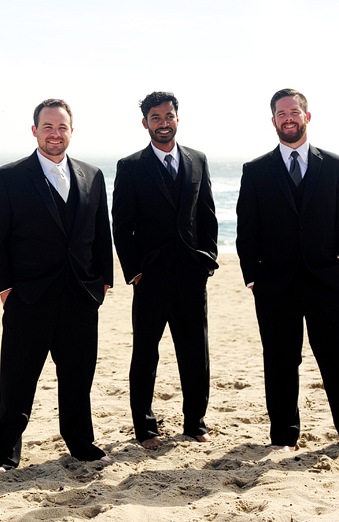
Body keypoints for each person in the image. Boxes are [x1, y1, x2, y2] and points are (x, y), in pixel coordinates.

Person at [235, 89, 339, 456]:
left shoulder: (334, 164)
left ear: (307, 116)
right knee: (281, 362)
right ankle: (284, 435)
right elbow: (246, 229)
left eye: (294, 111)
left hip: (327, 281)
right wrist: (252, 277)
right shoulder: (255, 171)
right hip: (275, 285)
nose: (288, 118)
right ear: (273, 121)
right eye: (281, 113)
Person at [0, 98, 113, 472]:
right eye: (48, 127)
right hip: (28, 297)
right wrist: (5, 290)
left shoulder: (93, 174)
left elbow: (101, 233)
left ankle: (80, 441)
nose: (55, 134)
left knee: (77, 376)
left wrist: (103, 282)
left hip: (81, 295)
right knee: (19, 379)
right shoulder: (8, 176)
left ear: (71, 130)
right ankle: (3, 449)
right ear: (35, 130)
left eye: (62, 127)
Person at [112, 91, 218, 450]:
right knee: (145, 353)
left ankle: (195, 422)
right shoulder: (130, 166)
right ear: (145, 123)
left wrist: (208, 259)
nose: (163, 123)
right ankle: (145, 427)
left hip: (191, 274)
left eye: (168, 116)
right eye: (155, 118)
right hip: (151, 277)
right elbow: (121, 225)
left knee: (194, 352)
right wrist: (135, 272)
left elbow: (207, 215)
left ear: (177, 118)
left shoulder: (198, 160)